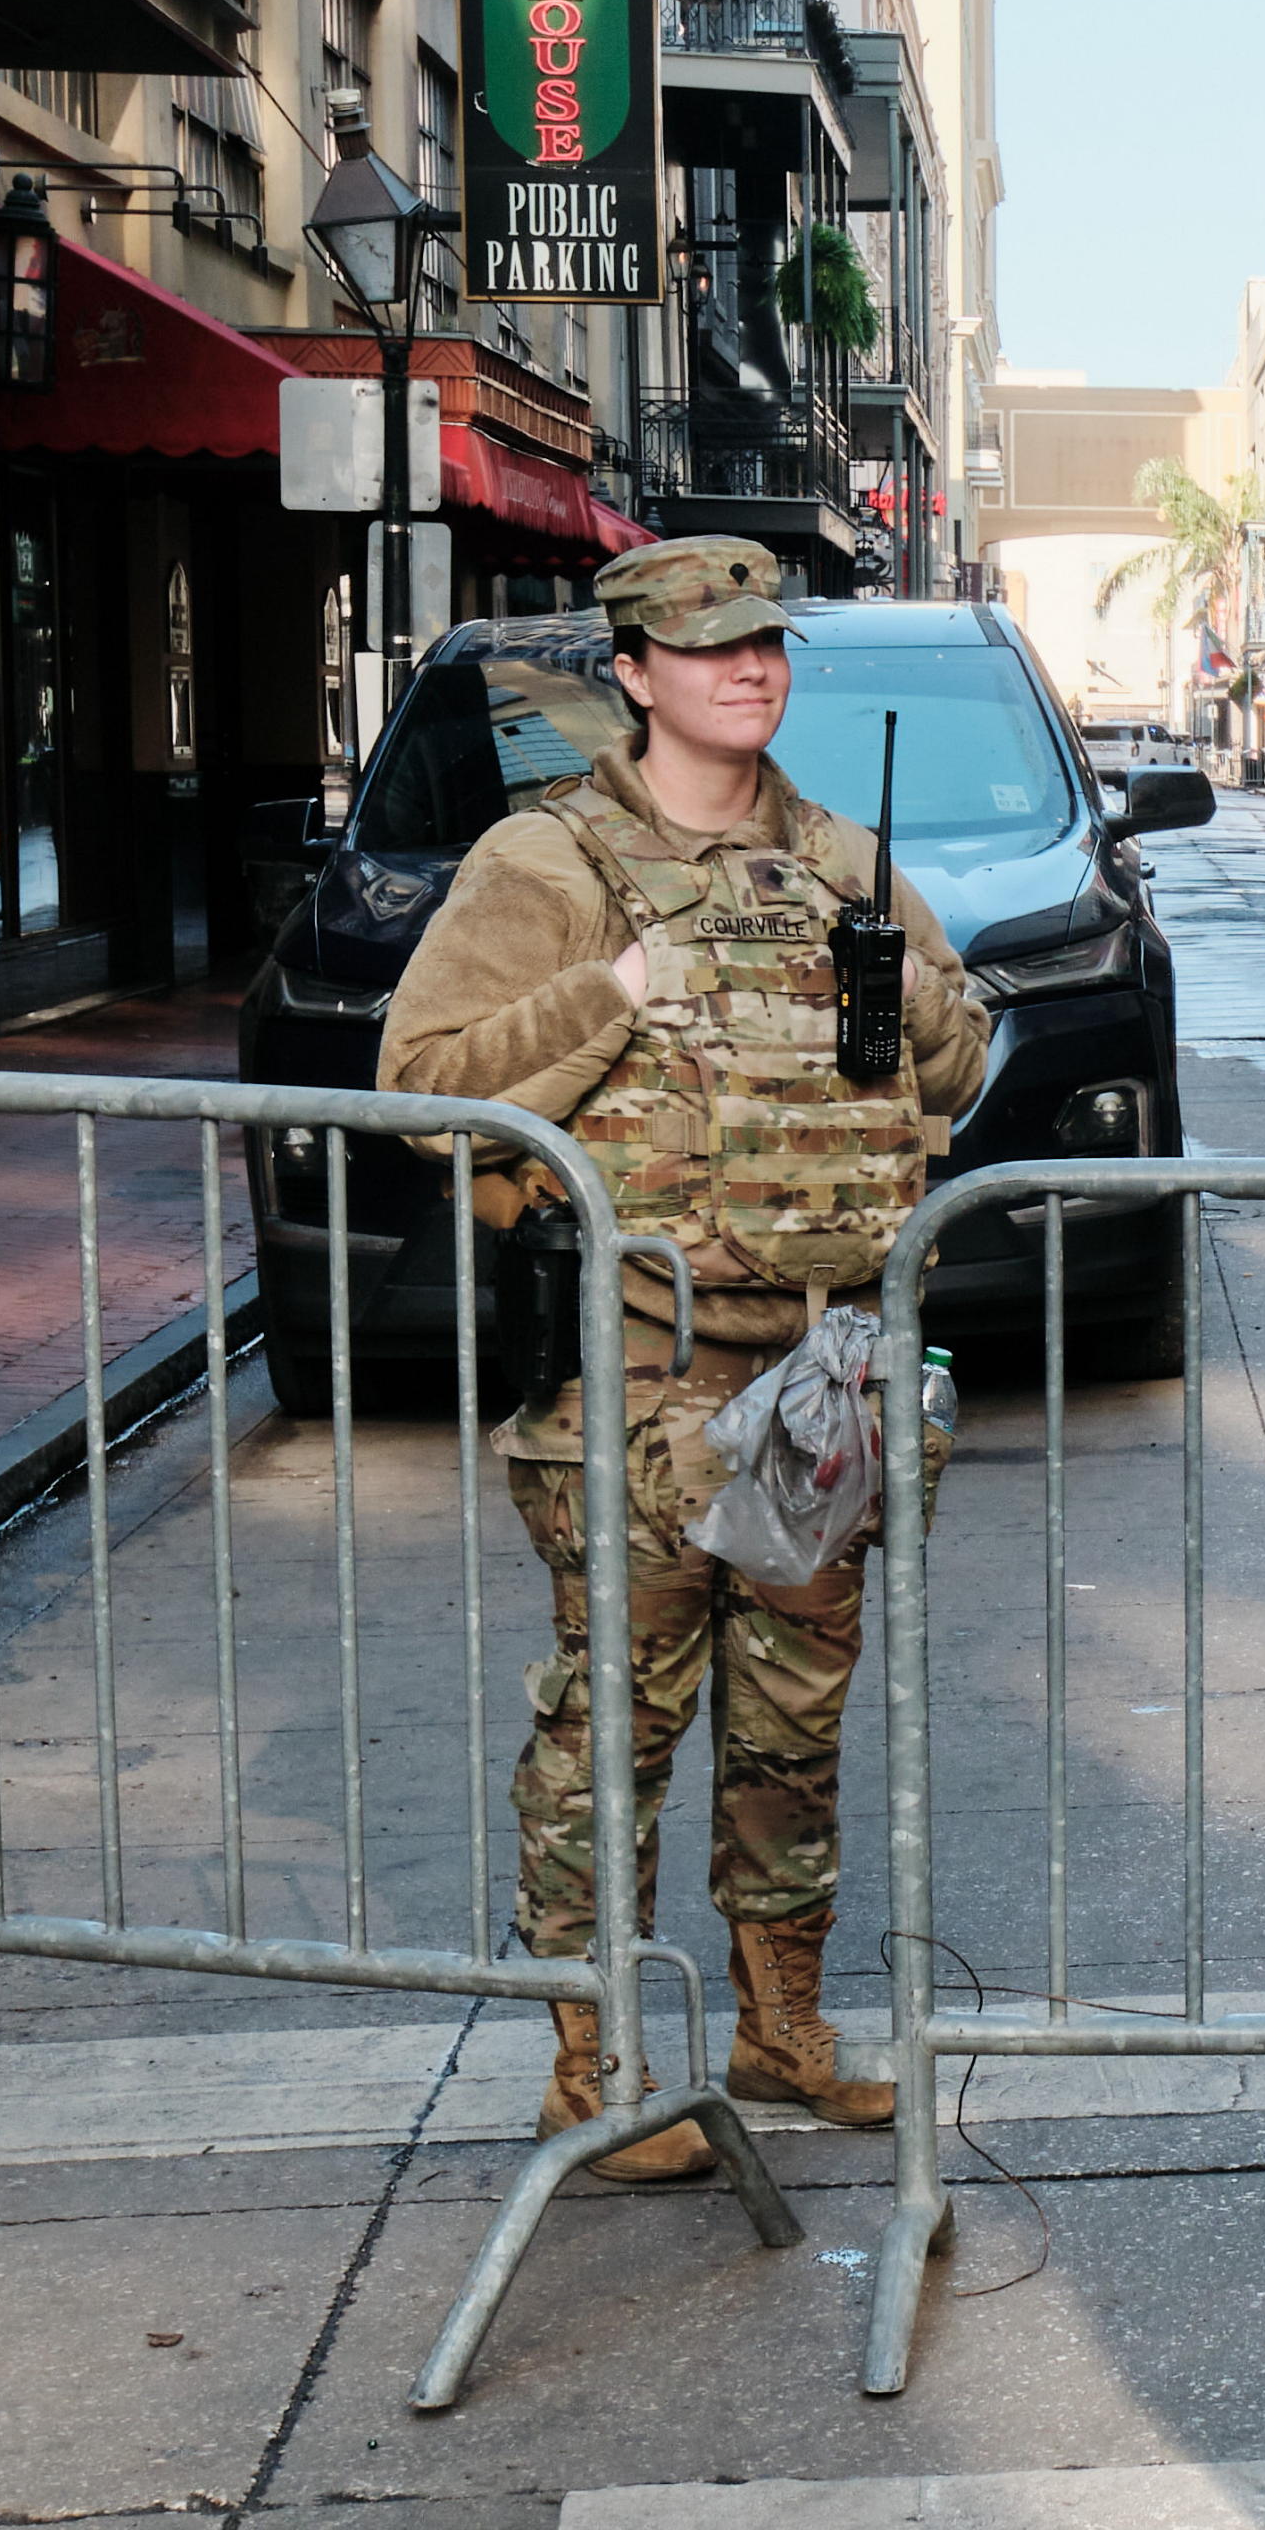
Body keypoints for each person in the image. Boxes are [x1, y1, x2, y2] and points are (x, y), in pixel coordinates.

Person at [380, 534, 986, 2183]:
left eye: (765, 642)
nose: (749, 667)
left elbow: (957, 1068)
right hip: (628, 1384)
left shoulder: (846, 856)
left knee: (793, 1732)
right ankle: (597, 2067)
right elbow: (426, 1089)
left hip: (814, 1383)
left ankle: (780, 2024)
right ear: (633, 673)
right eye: (707, 646)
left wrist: (911, 992)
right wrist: (614, 991)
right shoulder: (547, 864)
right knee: (614, 1741)